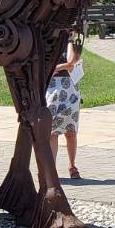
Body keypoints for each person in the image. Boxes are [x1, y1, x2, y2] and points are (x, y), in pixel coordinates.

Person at [46, 35, 84, 178]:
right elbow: (44, 67)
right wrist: (59, 68)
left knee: (71, 132)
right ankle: (52, 168)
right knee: (52, 132)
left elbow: (72, 62)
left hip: (69, 92)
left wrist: (56, 67)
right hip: (52, 91)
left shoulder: (69, 43)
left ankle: (72, 165)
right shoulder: (47, 44)